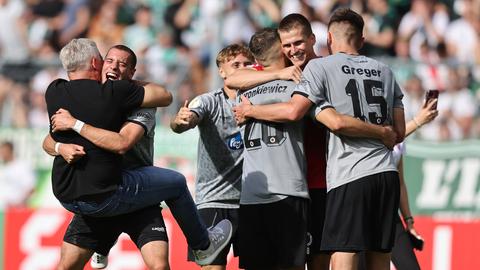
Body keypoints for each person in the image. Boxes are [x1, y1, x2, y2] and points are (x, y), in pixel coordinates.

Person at [233, 8, 405, 270]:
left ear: (315, 39)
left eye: (299, 42)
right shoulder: (281, 70)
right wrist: (278, 74)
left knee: (324, 259)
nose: (293, 50)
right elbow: (234, 78)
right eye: (287, 45)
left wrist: (252, 110)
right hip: (292, 185)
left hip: (324, 181)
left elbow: (297, 112)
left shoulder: (322, 68)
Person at [43, 39, 232, 266]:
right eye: (109, 61)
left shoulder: (138, 102)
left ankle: (103, 244)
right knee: (67, 265)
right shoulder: (95, 95)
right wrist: (60, 147)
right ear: (98, 64)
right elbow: (49, 139)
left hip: (136, 191)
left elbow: (125, 140)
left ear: (132, 73)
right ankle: (202, 244)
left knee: (160, 265)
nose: (113, 67)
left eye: (122, 65)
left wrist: (76, 124)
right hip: (106, 189)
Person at [170, 43, 254, 270]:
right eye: (235, 64)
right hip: (214, 200)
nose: (242, 68)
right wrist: (180, 121)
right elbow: (185, 120)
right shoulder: (209, 101)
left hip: (252, 201)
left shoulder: (261, 101)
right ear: (222, 71)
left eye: (247, 64)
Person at [236, 27, 310, 270]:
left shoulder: (243, 90)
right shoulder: (296, 81)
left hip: (250, 194)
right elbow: (292, 112)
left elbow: (232, 79)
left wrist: (250, 110)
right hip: (287, 189)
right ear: (281, 49)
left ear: (256, 59)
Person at [358, 98, 438, 270]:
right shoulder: (366, 130)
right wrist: (417, 122)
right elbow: (382, 142)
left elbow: (400, 183)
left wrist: (409, 222)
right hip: (361, 211)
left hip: (389, 214)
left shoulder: (400, 140)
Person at [0, 141, 36, 209]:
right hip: (2, 210)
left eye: (3, 151)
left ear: (10, 151)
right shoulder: (2, 167)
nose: (1, 154)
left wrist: (19, 204)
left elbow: (31, 189)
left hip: (16, 209)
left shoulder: (21, 166)